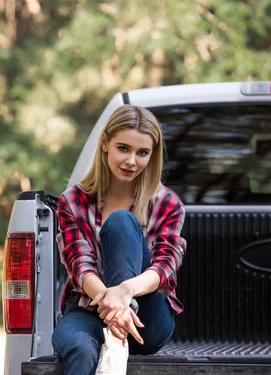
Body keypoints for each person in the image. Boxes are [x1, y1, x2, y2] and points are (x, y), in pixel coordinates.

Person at [52, 105, 187, 375]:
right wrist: (113, 305)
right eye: (123, 148)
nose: (131, 161)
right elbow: (80, 266)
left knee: (121, 222)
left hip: (147, 321)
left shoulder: (167, 204)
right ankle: (115, 331)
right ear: (105, 143)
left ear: (153, 154)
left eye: (142, 153)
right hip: (88, 308)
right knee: (79, 348)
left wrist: (125, 293)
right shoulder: (73, 201)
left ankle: (119, 330)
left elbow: (165, 265)